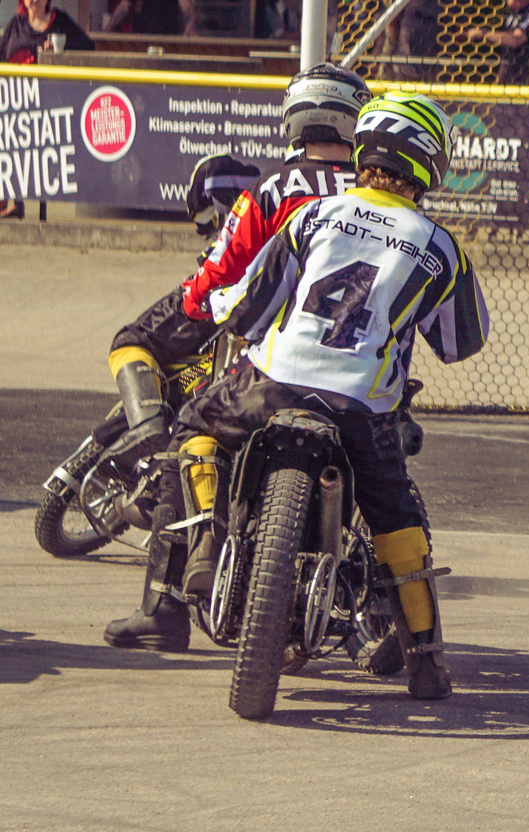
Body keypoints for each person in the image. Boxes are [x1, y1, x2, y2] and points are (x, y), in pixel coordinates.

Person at [104, 93, 488, 703]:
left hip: (272, 383)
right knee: (396, 514)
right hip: (361, 404)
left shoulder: (311, 216)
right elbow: (461, 341)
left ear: (365, 152)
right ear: (428, 166)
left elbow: (251, 304)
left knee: (193, 425)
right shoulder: (441, 248)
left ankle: (203, 537)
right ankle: (426, 663)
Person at [99, 65, 371, 557]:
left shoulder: (271, 189)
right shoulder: (380, 198)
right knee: (392, 486)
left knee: (172, 404)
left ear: (295, 118)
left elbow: (212, 283)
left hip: (277, 358)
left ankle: (171, 581)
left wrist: (199, 300)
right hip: (363, 374)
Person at [1, 0, 95, 65]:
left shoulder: (60, 20)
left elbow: (88, 46)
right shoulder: (16, 22)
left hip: (50, 78)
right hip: (17, 78)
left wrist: (60, 47)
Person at [465, 0, 529, 84]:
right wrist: (498, 81)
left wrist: (483, 33)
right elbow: (507, 51)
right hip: (511, 78)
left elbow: (516, 40)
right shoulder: (512, 16)